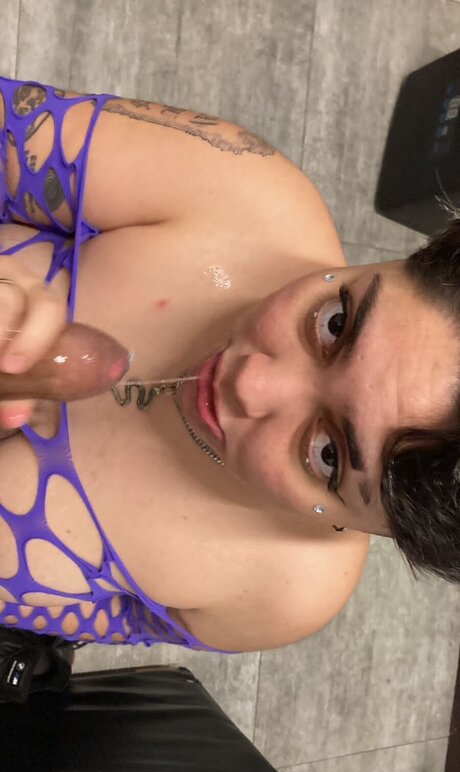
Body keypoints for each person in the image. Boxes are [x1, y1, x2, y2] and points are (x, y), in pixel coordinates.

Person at [0, 76, 458, 654]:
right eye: (335, 322)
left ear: (372, 528)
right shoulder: (241, 189)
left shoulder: (277, 595)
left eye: (328, 456)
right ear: (392, 263)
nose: (250, 381)